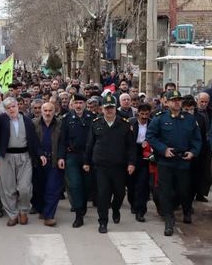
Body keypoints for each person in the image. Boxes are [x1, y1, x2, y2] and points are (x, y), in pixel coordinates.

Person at [146, 90, 202, 236]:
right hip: (166, 161)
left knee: (184, 190)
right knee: (166, 191)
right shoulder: (159, 118)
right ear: (167, 102)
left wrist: (193, 152)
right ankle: (169, 220)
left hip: (183, 161)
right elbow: (151, 136)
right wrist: (163, 149)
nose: (177, 102)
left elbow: (197, 138)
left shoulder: (189, 119)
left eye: (179, 100)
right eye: (174, 100)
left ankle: (186, 210)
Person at [84, 94, 135, 234]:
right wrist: (86, 162)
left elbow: (131, 146)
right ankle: (103, 221)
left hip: (119, 166)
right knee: (103, 194)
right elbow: (90, 144)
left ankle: (116, 208)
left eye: (112, 107)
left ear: (115, 108)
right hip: (101, 166)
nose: (109, 110)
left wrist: (131, 163)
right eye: (107, 108)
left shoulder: (124, 124)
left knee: (119, 193)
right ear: (102, 109)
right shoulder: (96, 123)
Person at [0, 97, 46, 226]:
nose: (11, 109)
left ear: (18, 106)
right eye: (8, 108)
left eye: (13, 106)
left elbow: (34, 140)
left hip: (24, 157)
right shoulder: (1, 121)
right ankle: (12, 214)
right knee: (8, 188)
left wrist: (40, 154)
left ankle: (23, 211)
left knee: (24, 188)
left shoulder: (27, 121)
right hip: (6, 157)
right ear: (5, 110)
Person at [58, 93, 95, 228]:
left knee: (87, 185)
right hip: (72, 156)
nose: (78, 105)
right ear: (72, 104)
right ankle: (79, 214)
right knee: (74, 185)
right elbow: (62, 140)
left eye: (81, 103)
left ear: (85, 104)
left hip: (88, 156)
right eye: (76, 103)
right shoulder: (66, 119)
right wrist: (61, 157)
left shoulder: (92, 118)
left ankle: (82, 205)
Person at [32, 102, 63, 226]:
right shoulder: (34, 123)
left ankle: (49, 216)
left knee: (52, 189)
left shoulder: (60, 124)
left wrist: (61, 157)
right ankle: (41, 208)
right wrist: (39, 154)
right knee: (38, 188)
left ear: (54, 111)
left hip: (54, 161)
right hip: (38, 161)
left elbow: (63, 142)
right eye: (45, 110)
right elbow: (33, 142)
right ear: (41, 111)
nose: (48, 113)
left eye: (50, 110)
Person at [128, 103, 152, 222]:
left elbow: (154, 136)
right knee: (131, 182)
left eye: (146, 114)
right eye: (142, 114)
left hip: (145, 154)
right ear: (138, 113)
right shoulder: (130, 122)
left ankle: (140, 210)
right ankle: (133, 203)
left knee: (142, 184)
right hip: (132, 153)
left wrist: (148, 142)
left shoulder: (152, 123)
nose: (144, 117)